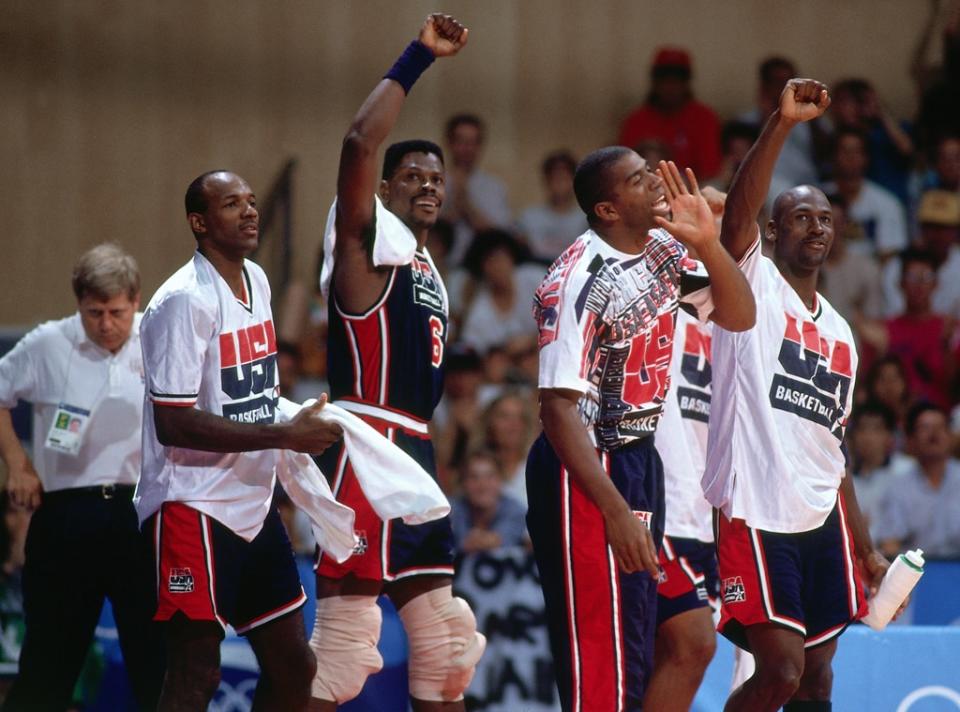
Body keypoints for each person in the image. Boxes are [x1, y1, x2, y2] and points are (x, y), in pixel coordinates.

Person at [526, 150, 755, 711]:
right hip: (583, 466)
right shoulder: (576, 281)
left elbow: (739, 314)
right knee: (600, 663)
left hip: (637, 456)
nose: (655, 181)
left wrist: (705, 240)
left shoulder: (662, 248)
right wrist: (614, 510)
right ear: (607, 208)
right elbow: (556, 410)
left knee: (634, 651)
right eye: (637, 180)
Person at [309, 15, 485, 712]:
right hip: (367, 447)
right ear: (382, 191)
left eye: (436, 178)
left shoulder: (426, 264)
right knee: (347, 651)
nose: (428, 186)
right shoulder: (363, 242)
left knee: (446, 645)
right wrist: (418, 58)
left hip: (414, 450)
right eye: (411, 176)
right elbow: (358, 142)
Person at [702, 78, 891, 711]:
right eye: (801, 218)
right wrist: (782, 125)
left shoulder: (841, 330)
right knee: (779, 671)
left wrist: (864, 546)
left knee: (817, 681)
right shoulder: (751, 282)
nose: (816, 227)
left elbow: (833, 447)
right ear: (775, 232)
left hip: (823, 517)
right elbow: (735, 213)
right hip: (755, 510)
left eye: (826, 219)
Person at [136, 170, 343, 711]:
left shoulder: (257, 278)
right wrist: (284, 434)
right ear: (199, 223)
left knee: (295, 667)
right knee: (195, 672)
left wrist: (295, 420)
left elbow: (251, 393)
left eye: (252, 202)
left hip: (252, 501)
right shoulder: (182, 301)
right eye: (233, 205)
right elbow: (173, 422)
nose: (250, 212)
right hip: (192, 504)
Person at [0, 243, 165, 711]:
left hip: (141, 514)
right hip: (67, 515)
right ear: (79, 305)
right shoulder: (47, 343)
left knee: (157, 662)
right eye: (94, 312)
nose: (106, 324)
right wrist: (17, 463)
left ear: (136, 301)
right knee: (48, 663)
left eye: (116, 311)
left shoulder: (158, 341)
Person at [644, 247, 721, 710]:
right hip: (659, 508)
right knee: (695, 644)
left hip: (709, 517)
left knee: (662, 660)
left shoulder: (735, 324)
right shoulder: (653, 309)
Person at [618, 47, 723, 180]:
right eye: (665, 79)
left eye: (677, 80)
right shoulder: (636, 120)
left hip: (693, 191)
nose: (671, 87)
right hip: (645, 191)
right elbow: (624, 173)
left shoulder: (704, 118)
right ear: (655, 82)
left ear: (686, 83)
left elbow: (710, 172)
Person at [877, 402, 960, 559]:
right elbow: (890, 546)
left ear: (950, 436)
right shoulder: (898, 489)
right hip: (918, 575)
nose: (934, 435)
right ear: (911, 440)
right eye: (925, 428)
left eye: (940, 427)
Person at [821, 127, 908, 260]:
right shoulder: (816, 199)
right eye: (845, 151)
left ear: (866, 158)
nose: (850, 157)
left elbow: (890, 255)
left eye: (856, 152)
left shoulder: (888, 203)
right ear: (833, 156)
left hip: (870, 276)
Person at [440, 113, 512, 266]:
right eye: (461, 141)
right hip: (440, 267)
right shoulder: (434, 182)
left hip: (481, 272)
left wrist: (465, 203)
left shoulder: (494, 187)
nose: (467, 148)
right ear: (449, 143)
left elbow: (498, 234)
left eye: (473, 142)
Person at [449, 450, 527, 554]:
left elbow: (499, 541)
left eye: (489, 477)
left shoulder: (516, 511)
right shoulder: (451, 510)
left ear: (501, 480)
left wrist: (482, 541)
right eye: (474, 477)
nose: (482, 485)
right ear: (463, 482)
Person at [517, 150, 588, 263]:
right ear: (546, 180)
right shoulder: (529, 216)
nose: (559, 183)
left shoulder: (586, 219)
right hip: (536, 270)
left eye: (564, 178)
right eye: (555, 178)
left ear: (574, 181)